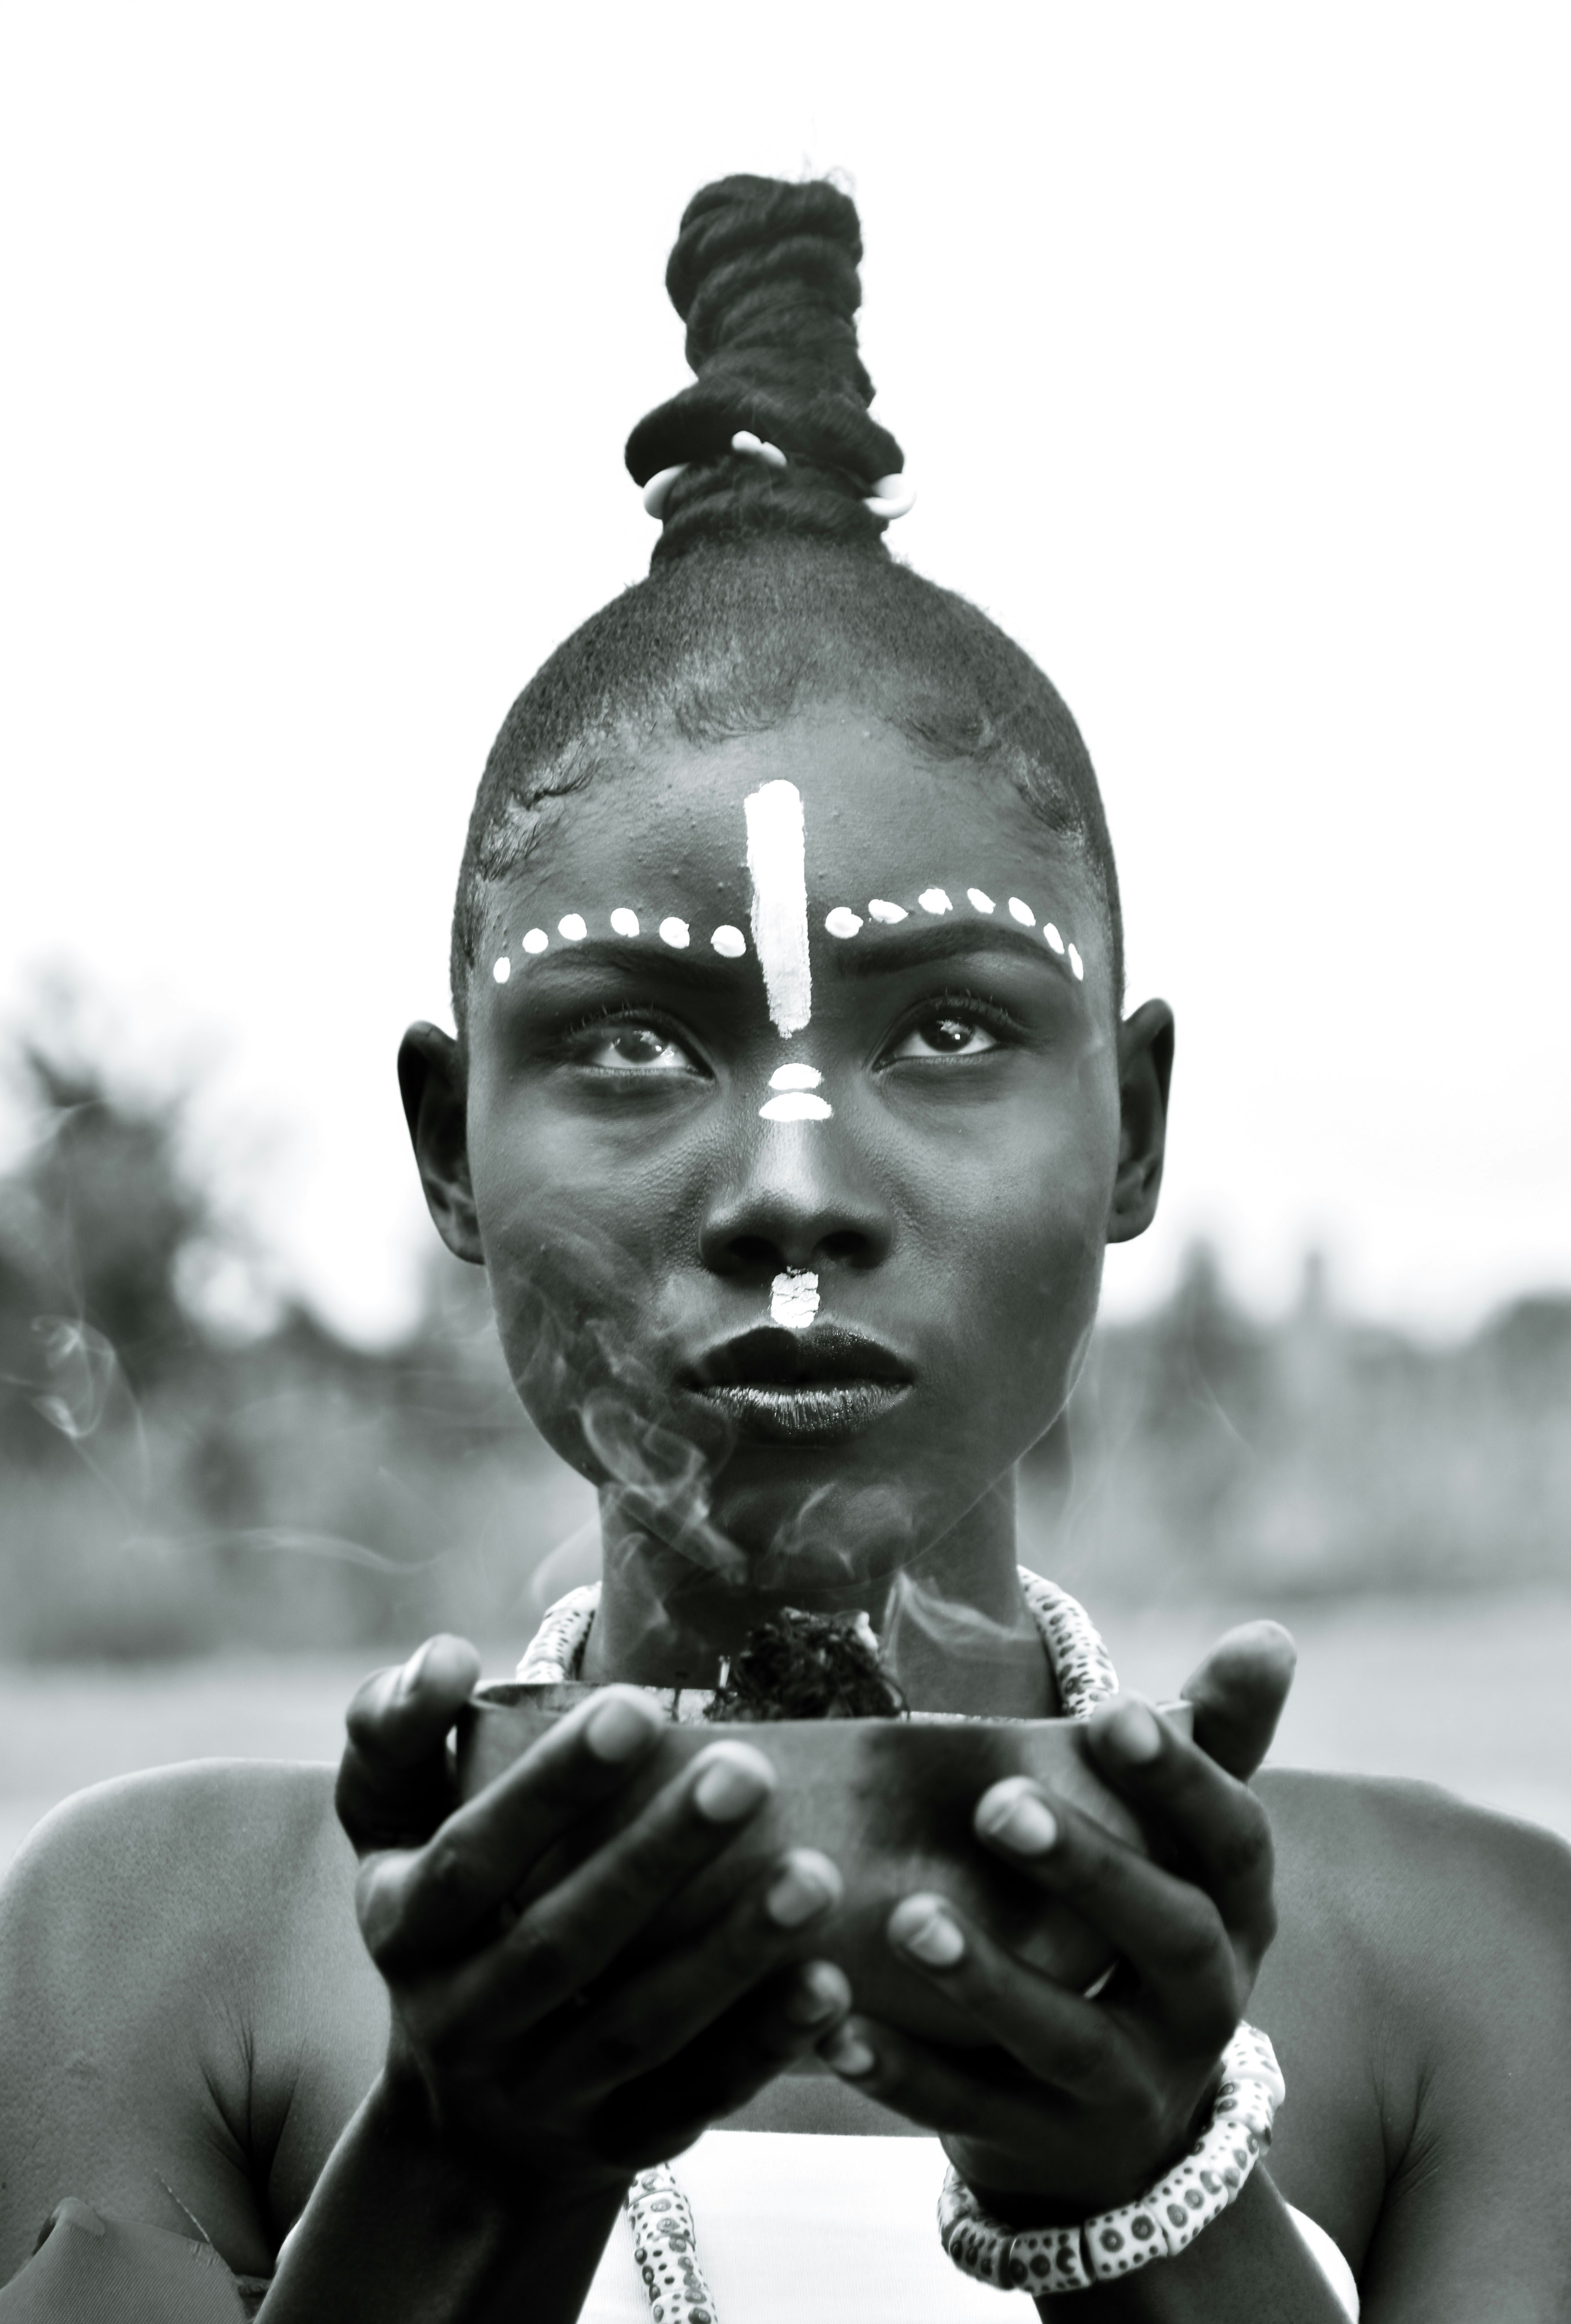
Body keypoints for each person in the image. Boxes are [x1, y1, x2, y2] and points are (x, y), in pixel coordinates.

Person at [2, 174, 1570, 2324]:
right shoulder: (163, 1947)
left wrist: (1151, 2207)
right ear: (450, 1149)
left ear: (1134, 1124)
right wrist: (470, 2178)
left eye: (945, 1026)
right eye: (636, 1042)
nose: (789, 1186)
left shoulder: (1477, 1973)